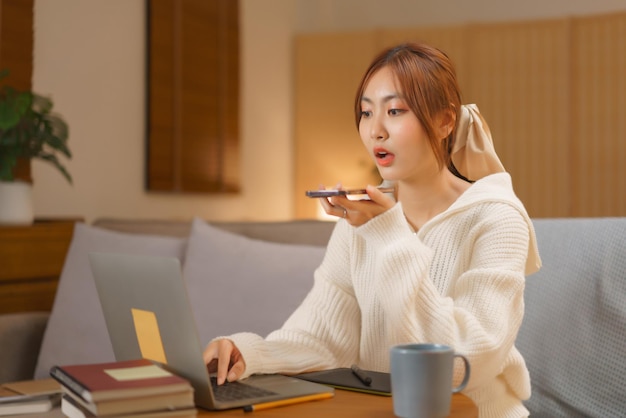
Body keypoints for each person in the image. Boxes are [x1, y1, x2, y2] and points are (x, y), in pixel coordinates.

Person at [203, 42, 541, 417]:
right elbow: (324, 338)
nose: (375, 131)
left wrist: (388, 234)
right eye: (366, 113)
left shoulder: (497, 218)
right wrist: (246, 353)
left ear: (446, 121)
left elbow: (461, 363)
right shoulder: (363, 220)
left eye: (395, 111)